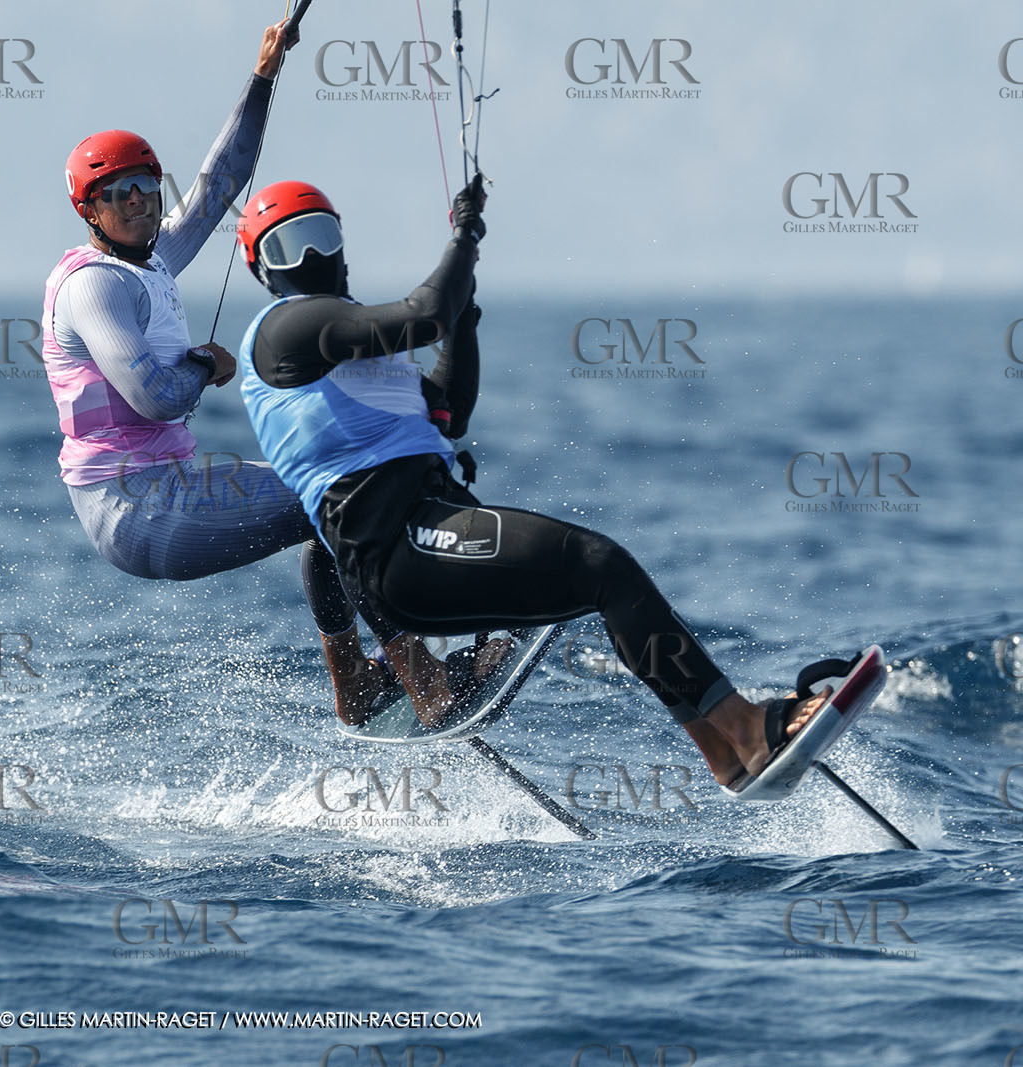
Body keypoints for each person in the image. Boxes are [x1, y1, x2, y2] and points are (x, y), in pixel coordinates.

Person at [233, 175, 839, 787]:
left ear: (342, 242)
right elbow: (424, 314)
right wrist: (465, 236)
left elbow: (448, 411)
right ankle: (744, 727)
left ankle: (724, 750)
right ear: (262, 268)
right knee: (601, 564)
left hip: (427, 530)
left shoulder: (361, 353)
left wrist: (464, 318)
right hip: (398, 551)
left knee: (602, 578)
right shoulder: (287, 328)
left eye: (321, 235)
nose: (311, 256)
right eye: (289, 246)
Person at [42, 19, 445, 723]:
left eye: (144, 185)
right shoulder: (93, 286)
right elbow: (156, 396)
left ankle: (358, 682)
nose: (136, 199)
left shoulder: (152, 258)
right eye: (116, 192)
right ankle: (425, 680)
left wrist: (264, 74)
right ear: (90, 210)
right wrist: (206, 363)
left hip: (168, 486)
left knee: (334, 494)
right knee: (340, 498)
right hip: (132, 508)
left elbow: (222, 179)